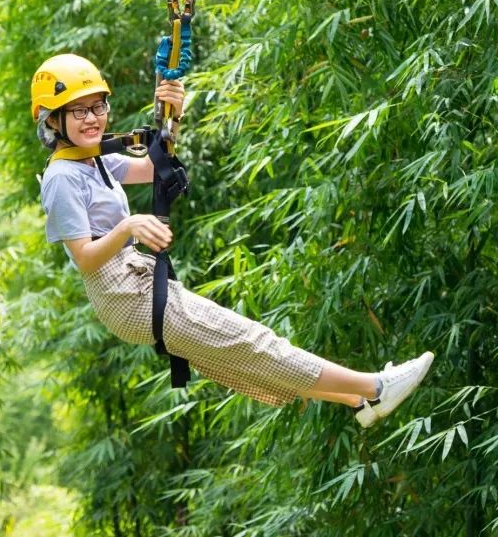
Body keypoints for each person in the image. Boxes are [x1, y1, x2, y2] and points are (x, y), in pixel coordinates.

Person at [33, 53, 433, 426]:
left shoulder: (94, 159)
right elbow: (84, 258)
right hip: (122, 293)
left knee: (238, 358)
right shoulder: (62, 177)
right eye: (79, 111)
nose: (93, 119)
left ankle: (357, 402)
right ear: (53, 121)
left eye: (98, 106)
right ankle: (377, 388)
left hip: (133, 284)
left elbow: (157, 167)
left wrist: (172, 114)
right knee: (251, 341)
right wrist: (128, 226)